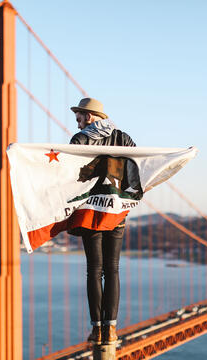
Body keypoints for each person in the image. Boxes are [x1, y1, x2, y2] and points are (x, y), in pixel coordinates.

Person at [69, 98, 135, 345]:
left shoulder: (80, 140)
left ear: (89, 116)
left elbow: (70, 175)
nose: (77, 126)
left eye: (79, 119)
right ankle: (112, 330)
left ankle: (97, 329)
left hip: (90, 211)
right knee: (113, 269)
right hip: (116, 211)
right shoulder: (123, 138)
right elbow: (136, 169)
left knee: (94, 271)